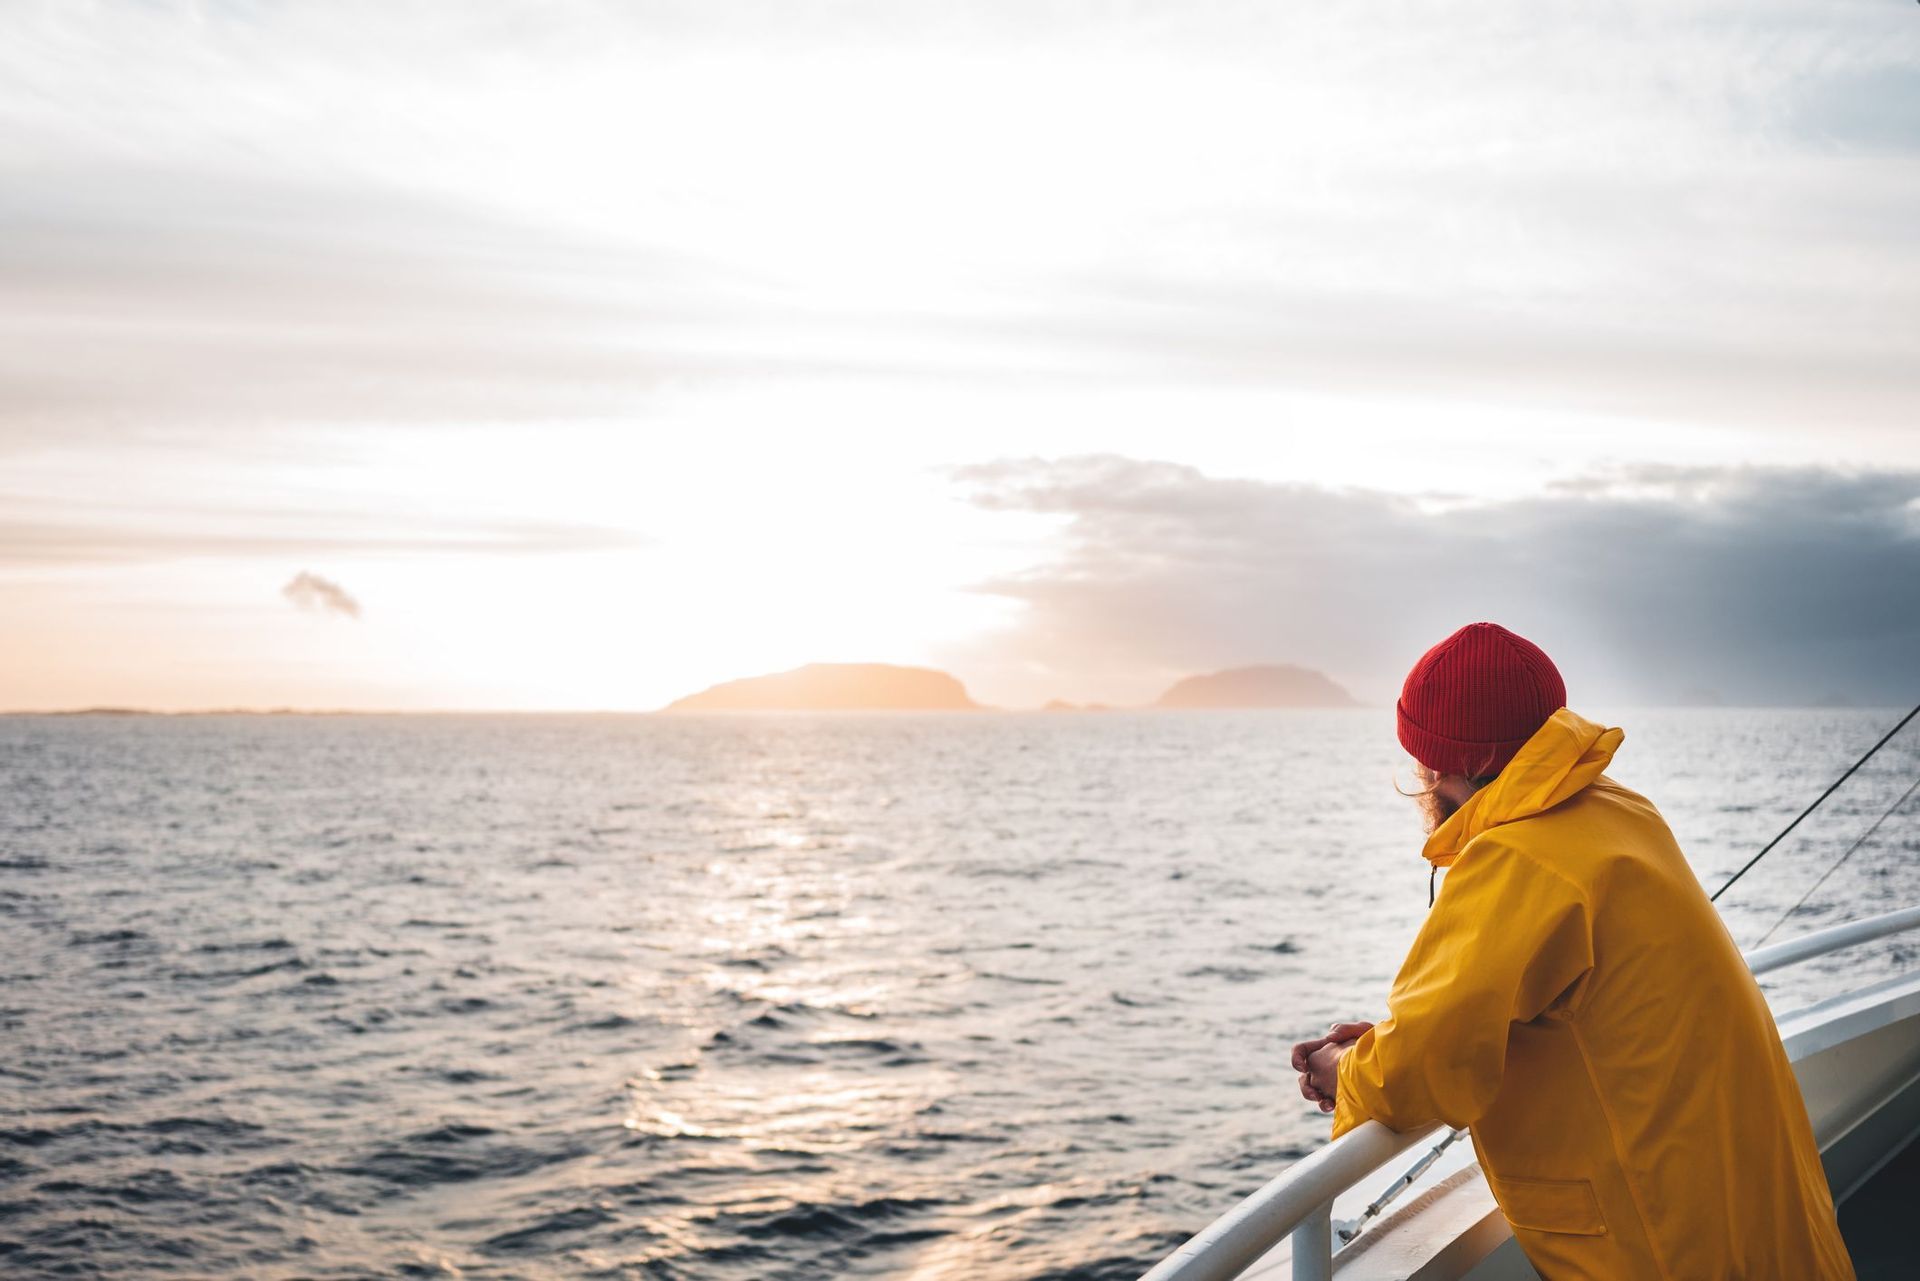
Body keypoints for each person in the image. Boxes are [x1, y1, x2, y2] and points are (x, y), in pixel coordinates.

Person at [1290, 622, 1855, 1280]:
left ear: (1440, 767)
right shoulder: (1622, 810)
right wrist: (1391, 1042)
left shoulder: (1513, 858)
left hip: (1667, 1252)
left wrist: (1343, 1068)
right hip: (1766, 1223)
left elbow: (1420, 1068)